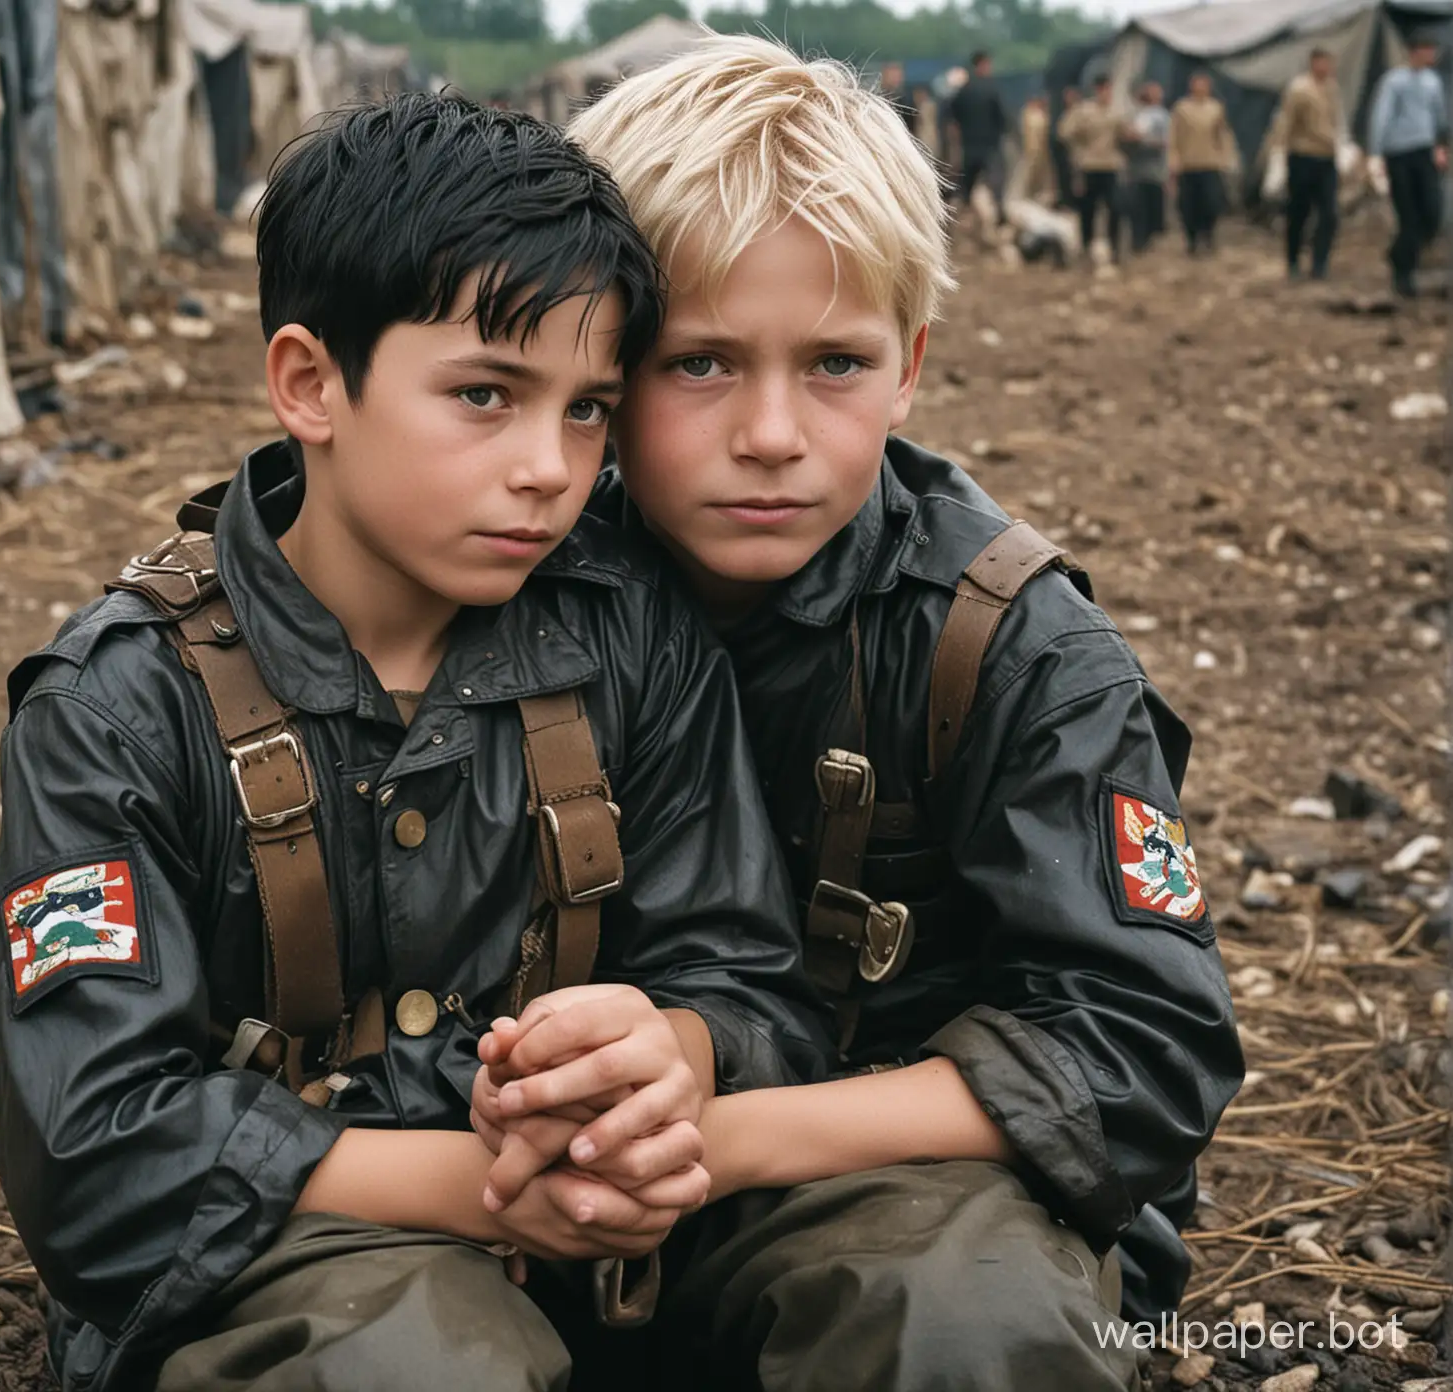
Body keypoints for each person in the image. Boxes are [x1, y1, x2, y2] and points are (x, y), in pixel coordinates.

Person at [0, 91, 831, 1392]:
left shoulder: (634, 639)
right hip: (290, 1279)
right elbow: (94, 1150)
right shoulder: (117, 708)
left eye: (586, 409)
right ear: (310, 383)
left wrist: (673, 1052)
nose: (551, 468)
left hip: (612, 1261)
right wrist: (487, 1189)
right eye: (485, 396)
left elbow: (750, 979)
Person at [485, 35, 1243, 1391]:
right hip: (527, 1190)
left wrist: (719, 1137)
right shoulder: (494, 580)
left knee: (960, 1327)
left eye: (834, 363)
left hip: (897, 1197)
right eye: (697, 365)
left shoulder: (1016, 650)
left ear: (910, 366)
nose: (772, 431)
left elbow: (1144, 1047)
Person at [1368, 33, 1450, 297]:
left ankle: (1397, 253)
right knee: (1408, 214)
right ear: (1415, 51)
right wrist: (1376, 153)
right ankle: (1404, 274)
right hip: (1399, 154)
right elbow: (1381, 115)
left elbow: (1439, 117)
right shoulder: (1395, 81)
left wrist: (1441, 145)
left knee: (1432, 211)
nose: (1431, 55)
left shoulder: (1432, 82)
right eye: (1427, 49)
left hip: (1424, 152)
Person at [1272, 47, 1342, 281]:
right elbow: (1286, 120)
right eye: (1322, 63)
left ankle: (1319, 263)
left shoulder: (1331, 88)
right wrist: (1279, 153)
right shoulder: (1299, 89)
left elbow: (1336, 120)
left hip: (1327, 157)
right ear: (1313, 63)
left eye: (1329, 63)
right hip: (1302, 156)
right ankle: (1292, 261)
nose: (1326, 68)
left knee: (1329, 213)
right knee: (1299, 212)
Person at [1060, 74, 1127, 262]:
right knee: (1088, 210)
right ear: (1098, 90)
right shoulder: (1084, 111)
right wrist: (1078, 150)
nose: (1107, 93)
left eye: (1110, 89)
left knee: (1115, 208)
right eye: (1104, 89)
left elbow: (1125, 132)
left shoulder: (1116, 112)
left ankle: (1115, 248)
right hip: (1089, 165)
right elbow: (1065, 132)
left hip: (1111, 165)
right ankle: (1086, 246)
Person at [1169, 69, 1237, 256]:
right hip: (1188, 164)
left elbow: (1223, 135)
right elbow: (1174, 136)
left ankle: (1208, 235)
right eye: (1197, 83)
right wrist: (1174, 159)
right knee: (1188, 205)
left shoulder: (1215, 108)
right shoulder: (1182, 108)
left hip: (1210, 163)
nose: (1200, 87)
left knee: (1211, 202)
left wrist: (1225, 158)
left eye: (1204, 84)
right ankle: (1191, 240)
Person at [946, 49, 1008, 224]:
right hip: (990, 146)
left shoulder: (964, 90)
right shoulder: (992, 89)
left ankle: (961, 220)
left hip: (969, 145)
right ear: (982, 64)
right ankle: (999, 220)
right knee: (996, 185)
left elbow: (952, 115)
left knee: (966, 187)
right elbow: (1001, 118)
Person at [1126, 81, 1170, 252]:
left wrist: (1143, 141)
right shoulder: (1136, 114)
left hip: (1155, 171)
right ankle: (1139, 240)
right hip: (1137, 171)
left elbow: (1166, 142)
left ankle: (1149, 237)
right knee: (1138, 207)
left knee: (1152, 206)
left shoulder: (1162, 116)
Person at [1016, 91, 1055, 203]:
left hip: (1042, 148)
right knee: (1030, 172)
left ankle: (1040, 192)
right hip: (1031, 148)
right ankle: (1029, 193)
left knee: (1042, 172)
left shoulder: (1042, 114)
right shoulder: (1028, 114)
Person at [1053, 85, 1083, 209]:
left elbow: (1067, 132)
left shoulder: (1078, 112)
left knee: (1078, 181)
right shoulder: (1067, 113)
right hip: (1069, 152)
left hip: (1079, 153)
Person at [878, 59, 918, 135]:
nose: (896, 78)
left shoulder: (906, 102)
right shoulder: (876, 100)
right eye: (892, 75)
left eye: (898, 75)